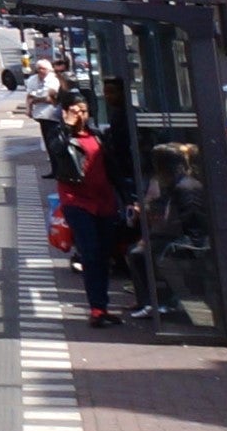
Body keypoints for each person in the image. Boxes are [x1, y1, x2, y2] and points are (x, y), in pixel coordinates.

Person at [46, 95, 126, 326]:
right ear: (65, 112)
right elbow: (57, 151)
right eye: (75, 110)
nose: (81, 114)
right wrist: (67, 126)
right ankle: (97, 309)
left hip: (104, 202)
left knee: (104, 255)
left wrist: (127, 198)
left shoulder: (97, 136)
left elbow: (112, 169)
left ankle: (102, 305)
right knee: (90, 253)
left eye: (84, 110)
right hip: (76, 202)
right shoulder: (59, 134)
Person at [124, 141, 208, 324]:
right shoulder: (176, 184)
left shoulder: (186, 187)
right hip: (177, 236)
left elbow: (189, 221)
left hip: (187, 241)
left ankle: (158, 302)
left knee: (141, 254)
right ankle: (150, 301)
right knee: (137, 253)